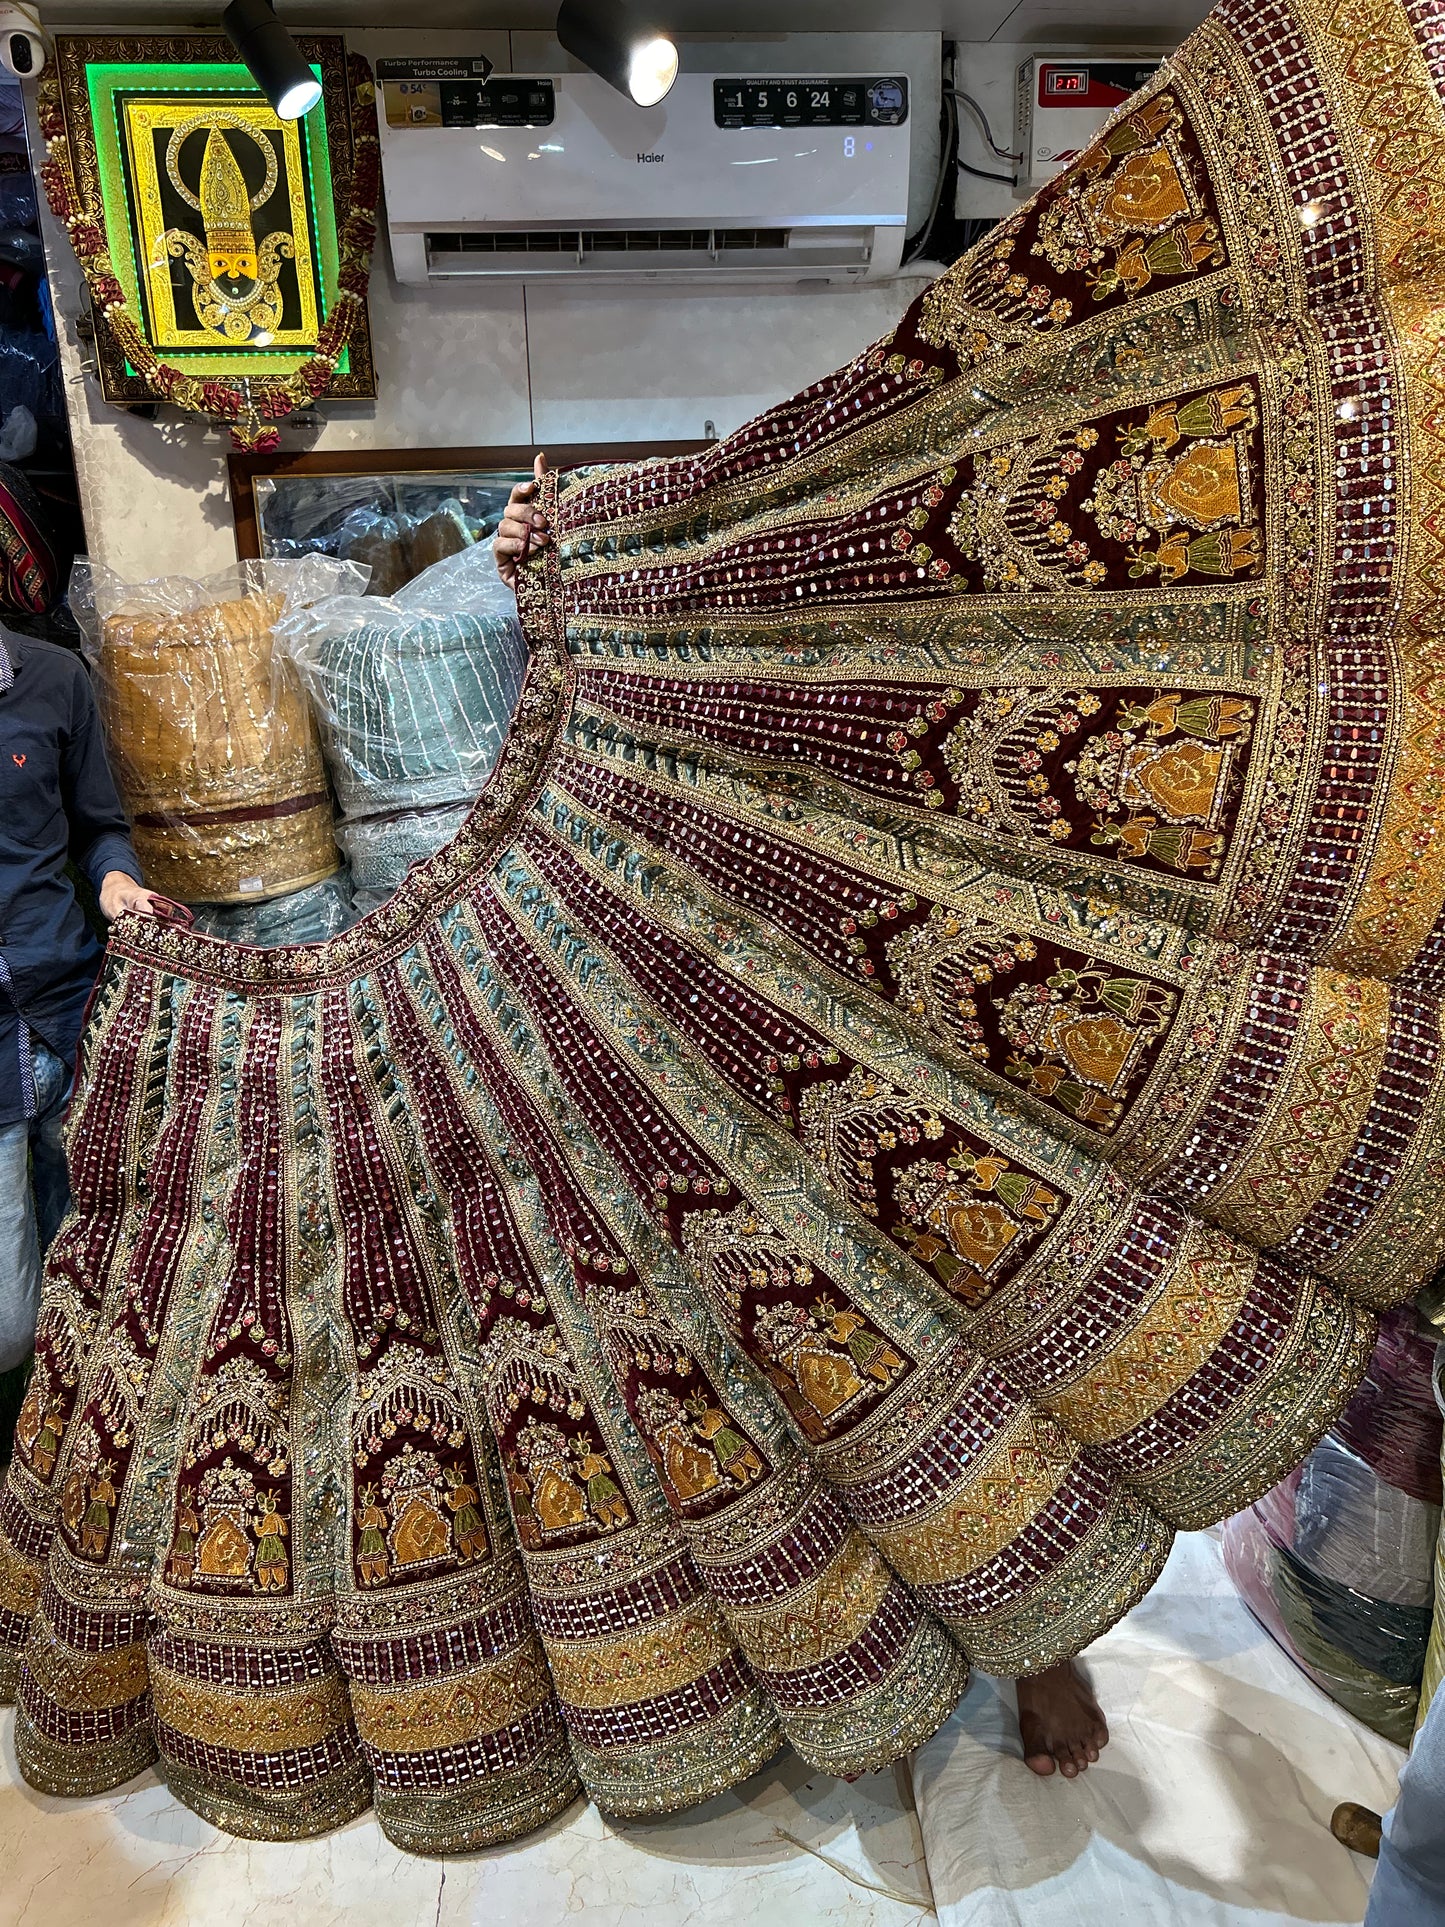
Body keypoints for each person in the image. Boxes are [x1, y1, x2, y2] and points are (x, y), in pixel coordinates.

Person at [496, 461, 1112, 1782]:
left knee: (917, 1305)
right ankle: (842, 1634)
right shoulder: (571, 634)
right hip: (643, 987)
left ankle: (1035, 1630)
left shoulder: (788, 579)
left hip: (807, 973)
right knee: (760, 1335)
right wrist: (542, 587)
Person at [0, 625, 156, 1437]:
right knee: (7, 1325)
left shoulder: (53, 678)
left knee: (116, 1268)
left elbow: (100, 823)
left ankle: (95, 1453)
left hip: (67, 1004)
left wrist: (116, 881)